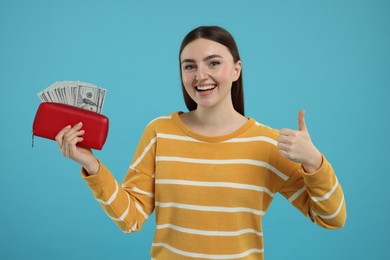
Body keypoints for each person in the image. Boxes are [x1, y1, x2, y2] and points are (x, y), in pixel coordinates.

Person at [55, 26, 346, 260]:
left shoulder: (267, 144)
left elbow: (332, 218)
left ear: (236, 69)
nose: (200, 75)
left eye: (214, 63)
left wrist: (314, 161)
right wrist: (91, 166)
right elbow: (131, 219)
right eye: (189, 66)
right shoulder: (160, 132)